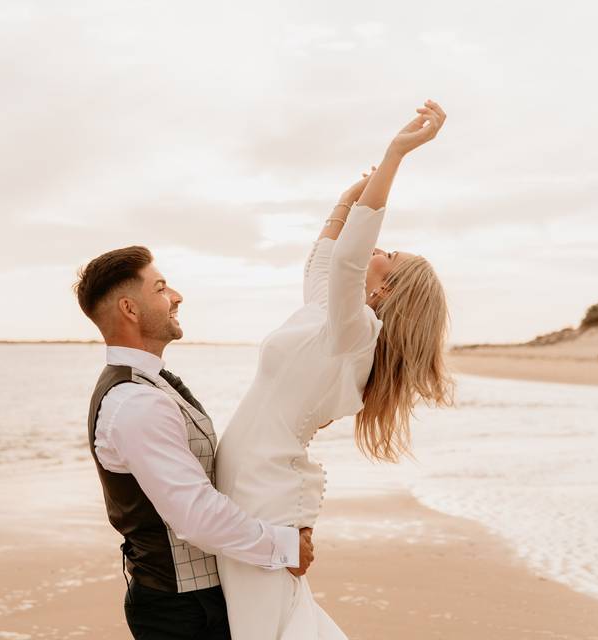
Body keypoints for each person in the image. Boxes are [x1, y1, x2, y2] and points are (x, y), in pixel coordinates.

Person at [215, 99, 454, 638]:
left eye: (386, 255)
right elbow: (323, 263)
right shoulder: (331, 322)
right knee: (264, 622)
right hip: (252, 483)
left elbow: (345, 259)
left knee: (265, 626)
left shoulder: (357, 334)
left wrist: (396, 153)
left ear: (386, 289)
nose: (377, 251)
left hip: (261, 491)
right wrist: (344, 200)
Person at [74, 245, 315, 639]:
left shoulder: (152, 384)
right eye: (161, 288)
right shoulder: (136, 401)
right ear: (130, 310)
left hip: (199, 600)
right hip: (180, 612)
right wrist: (284, 546)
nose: (176, 296)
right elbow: (196, 514)